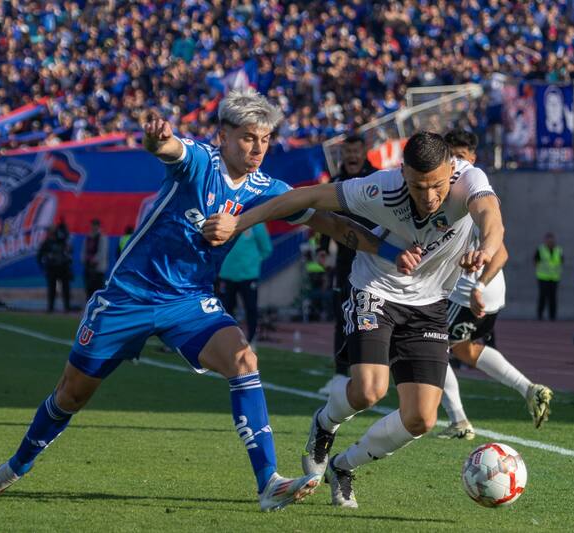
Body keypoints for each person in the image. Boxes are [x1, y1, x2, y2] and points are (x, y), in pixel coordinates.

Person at [0, 89, 397, 512]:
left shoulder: (269, 188)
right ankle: (14, 466)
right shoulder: (199, 161)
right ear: (223, 136)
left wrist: (393, 253)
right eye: (249, 137)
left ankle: (269, 481)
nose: (258, 148)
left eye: (265, 139)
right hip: (127, 297)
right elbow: (167, 148)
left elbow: (331, 225)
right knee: (71, 394)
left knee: (244, 361)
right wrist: (157, 137)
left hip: (189, 301)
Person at [203, 131, 504, 508]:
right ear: (402, 174)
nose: (428, 198)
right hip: (374, 288)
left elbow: (491, 218)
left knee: (421, 419)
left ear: (451, 171)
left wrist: (486, 250)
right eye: (417, 186)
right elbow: (306, 197)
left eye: (437, 186)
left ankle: (343, 467)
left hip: (430, 303)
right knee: (368, 390)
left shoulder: (469, 180)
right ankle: (324, 424)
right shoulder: (381, 188)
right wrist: (239, 222)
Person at [437, 129, 553, 440]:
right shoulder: (468, 191)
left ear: (472, 160)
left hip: (469, 294)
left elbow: (501, 253)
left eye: (460, 157)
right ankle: (529, 389)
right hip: (487, 293)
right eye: (449, 157)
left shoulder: (469, 193)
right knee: (466, 350)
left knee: (429, 347)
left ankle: (459, 420)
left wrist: (477, 285)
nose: (454, 163)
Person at [316, 134, 377, 387]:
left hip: (374, 261)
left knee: (370, 316)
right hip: (345, 261)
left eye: (356, 150)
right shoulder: (336, 182)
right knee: (343, 316)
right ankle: (340, 375)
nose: (351, 156)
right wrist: (322, 248)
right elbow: (323, 217)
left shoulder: (377, 180)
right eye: (347, 151)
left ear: (364, 152)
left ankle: (369, 372)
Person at [218, 222, 272, 346]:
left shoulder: (257, 224)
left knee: (251, 308)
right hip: (227, 274)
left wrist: (252, 262)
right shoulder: (226, 221)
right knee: (226, 309)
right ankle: (227, 339)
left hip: (248, 276)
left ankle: (251, 339)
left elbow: (266, 248)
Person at [36, 225, 73, 313]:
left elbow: (69, 249)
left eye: (54, 230)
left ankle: (67, 307)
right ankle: (51, 307)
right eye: (51, 231)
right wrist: (43, 266)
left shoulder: (62, 240)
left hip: (63, 267)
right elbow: (39, 255)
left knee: (65, 288)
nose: (52, 232)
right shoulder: (47, 242)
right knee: (52, 288)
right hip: (52, 268)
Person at [534, 232, 562, 320]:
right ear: (545, 241)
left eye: (552, 241)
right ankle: (540, 315)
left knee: (553, 298)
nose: (550, 242)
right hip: (543, 277)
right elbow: (535, 261)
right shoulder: (540, 249)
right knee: (542, 297)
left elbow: (561, 260)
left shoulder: (558, 250)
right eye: (549, 241)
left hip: (554, 277)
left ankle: (552, 316)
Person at [83, 219, 109, 299]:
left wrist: (94, 260)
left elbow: (103, 252)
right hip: (88, 267)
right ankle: (89, 304)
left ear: (98, 226)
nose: (93, 227)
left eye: (95, 225)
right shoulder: (88, 237)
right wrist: (84, 259)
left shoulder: (102, 237)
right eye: (92, 225)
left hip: (98, 268)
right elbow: (84, 250)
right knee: (89, 289)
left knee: (98, 288)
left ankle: (98, 306)